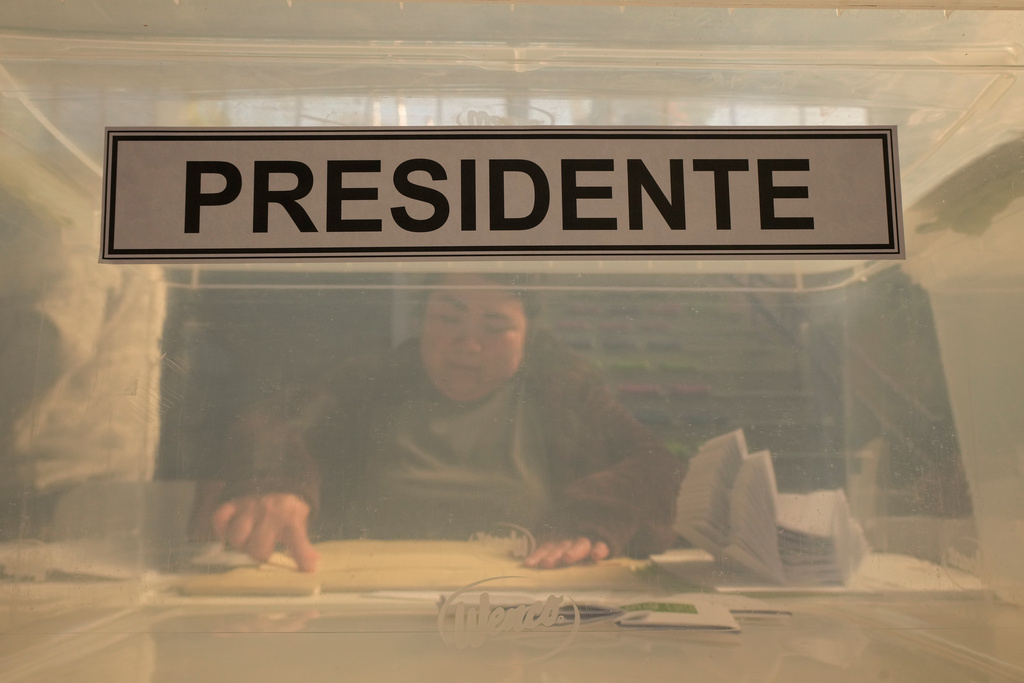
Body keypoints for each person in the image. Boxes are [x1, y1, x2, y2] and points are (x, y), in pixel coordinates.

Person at [208, 273, 685, 572]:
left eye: (495, 328)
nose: (468, 344)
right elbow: (272, 425)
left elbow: (655, 464)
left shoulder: (567, 395)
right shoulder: (369, 383)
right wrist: (275, 478)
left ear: (528, 337)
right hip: (364, 617)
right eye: (448, 318)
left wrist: (593, 518)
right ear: (422, 321)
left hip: (524, 619)